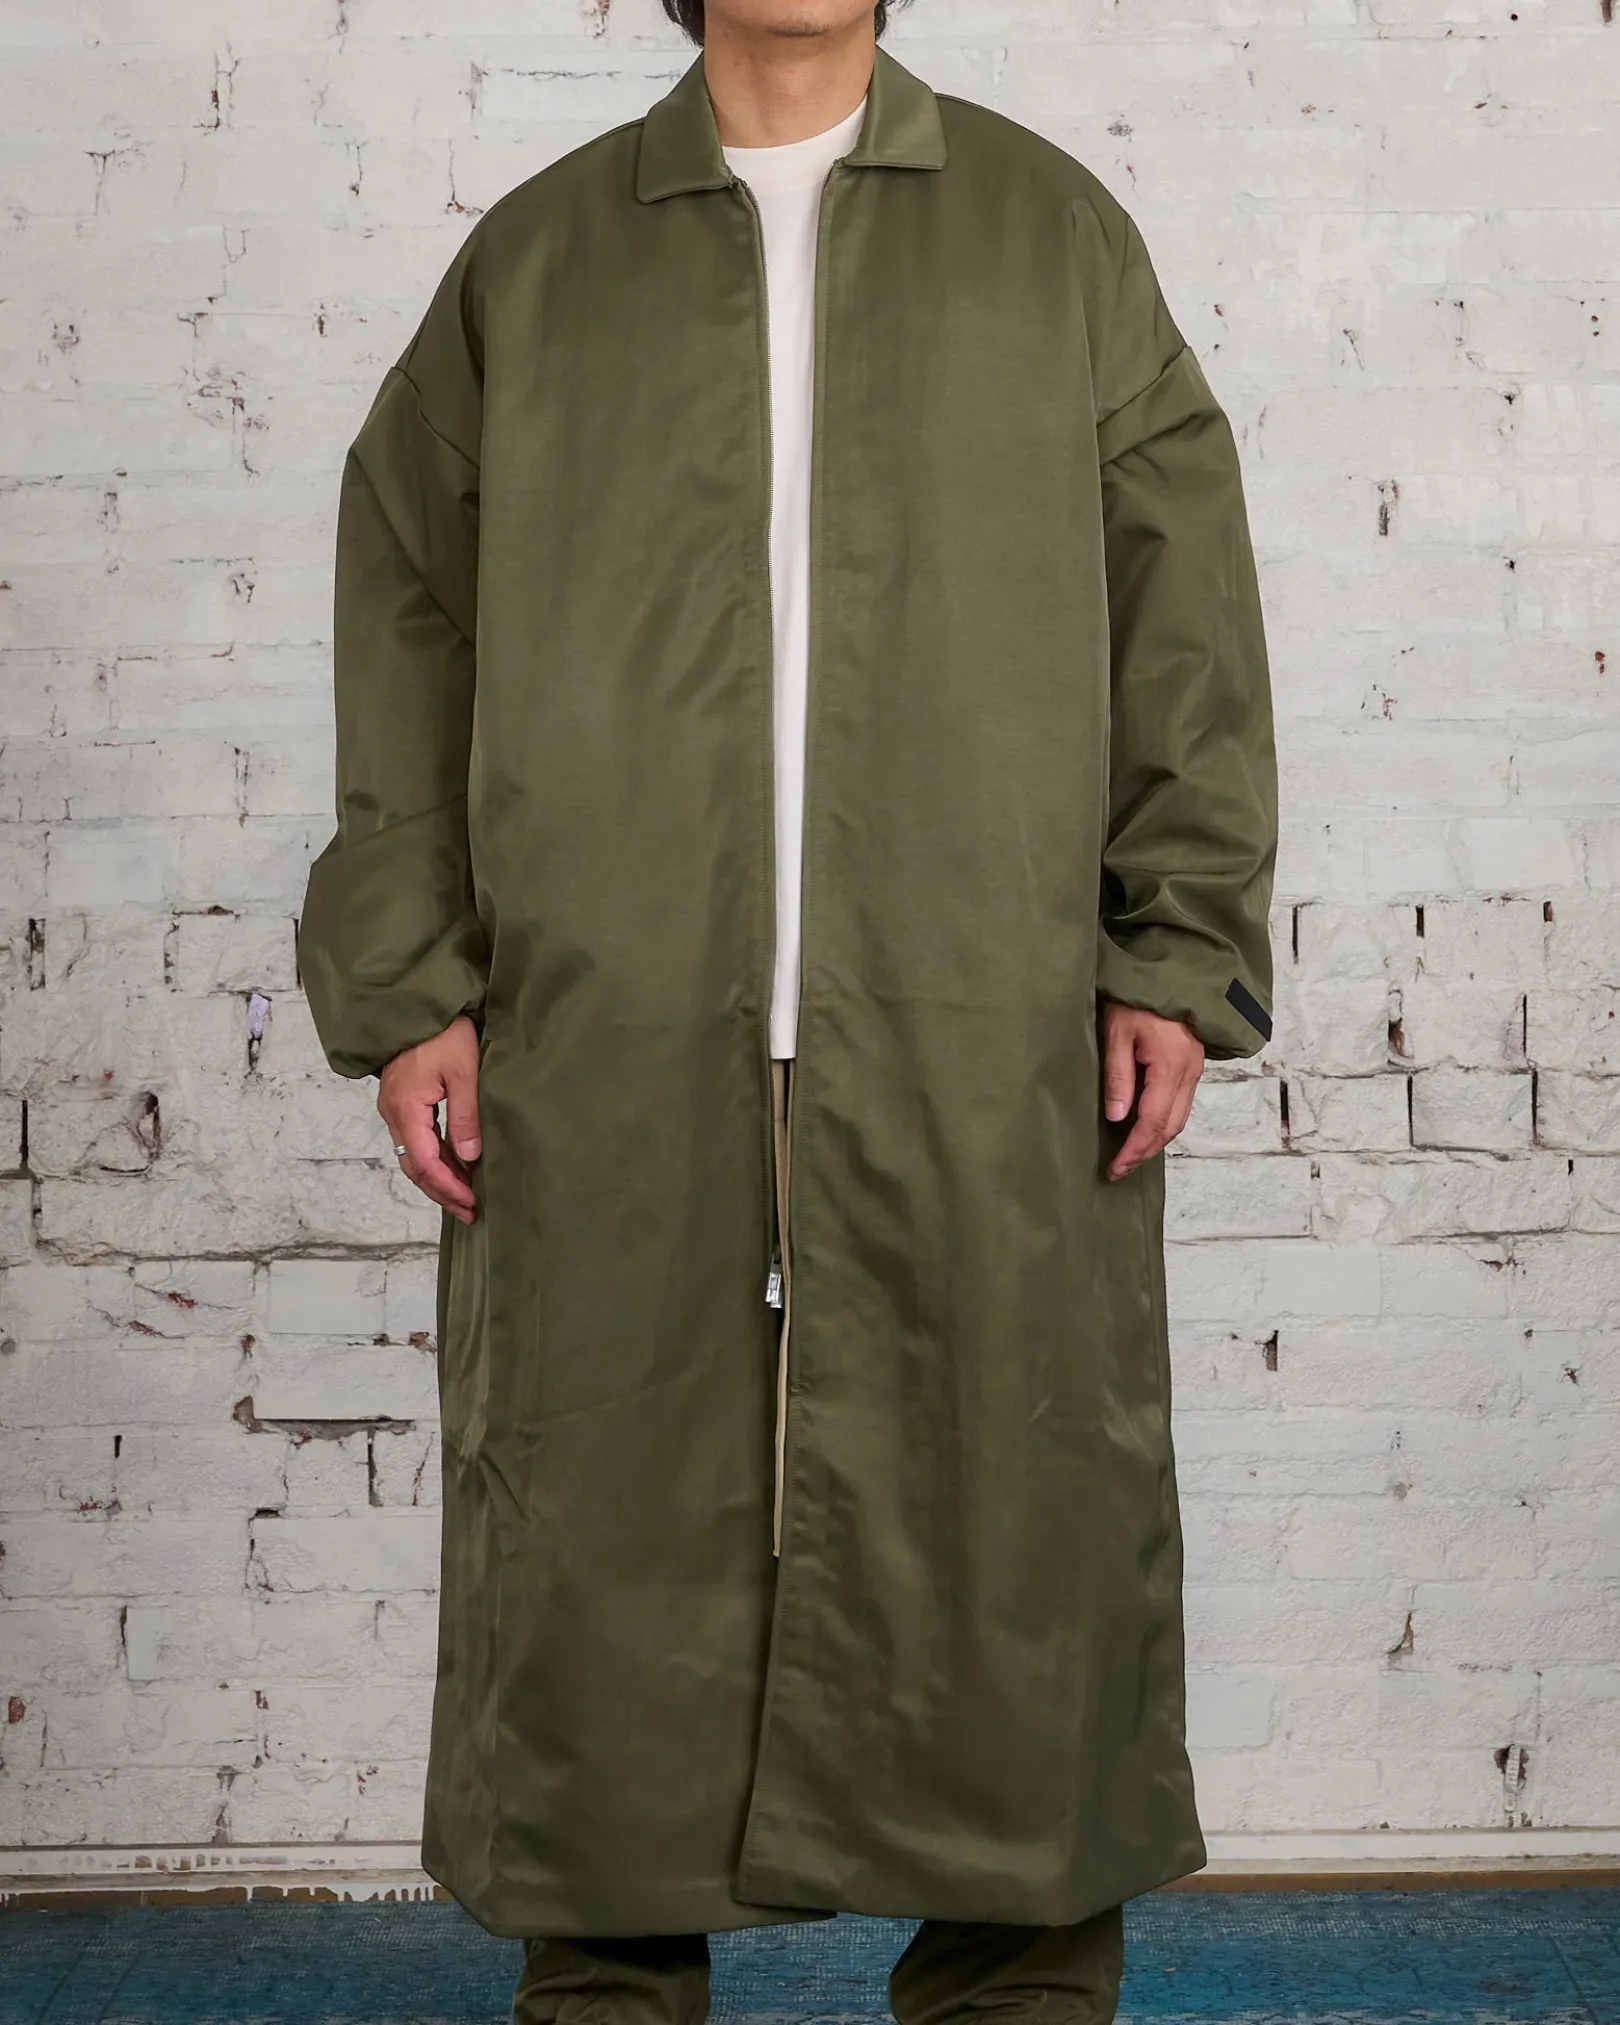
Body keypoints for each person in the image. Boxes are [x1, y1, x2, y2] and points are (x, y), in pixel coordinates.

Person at [297, 0, 1278, 2019]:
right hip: (605, 1024)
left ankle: (1018, 1988)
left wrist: (1173, 946)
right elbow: (407, 602)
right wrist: (409, 982)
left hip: (981, 1019)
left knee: (1014, 1532)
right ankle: (607, 1994)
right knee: (595, 1546)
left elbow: (1180, 606)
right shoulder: (543, 262)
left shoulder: (1050, 239)